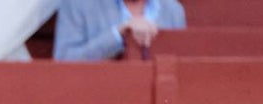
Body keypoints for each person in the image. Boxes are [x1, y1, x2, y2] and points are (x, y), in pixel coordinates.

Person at [53, 0, 186, 61]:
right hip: (98, 103)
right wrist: (117, 35)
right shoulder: (77, 4)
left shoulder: (173, 10)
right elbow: (64, 59)